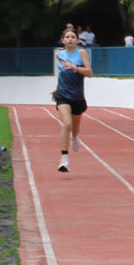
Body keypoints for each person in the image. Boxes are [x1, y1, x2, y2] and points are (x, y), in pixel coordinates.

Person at [53, 28, 91, 172]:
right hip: (62, 95)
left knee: (74, 129)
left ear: (77, 40)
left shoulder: (81, 53)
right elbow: (59, 58)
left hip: (77, 97)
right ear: (63, 40)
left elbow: (90, 73)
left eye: (72, 37)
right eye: (67, 37)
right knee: (66, 124)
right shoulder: (59, 54)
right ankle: (64, 159)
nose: (70, 39)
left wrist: (73, 67)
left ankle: (75, 137)